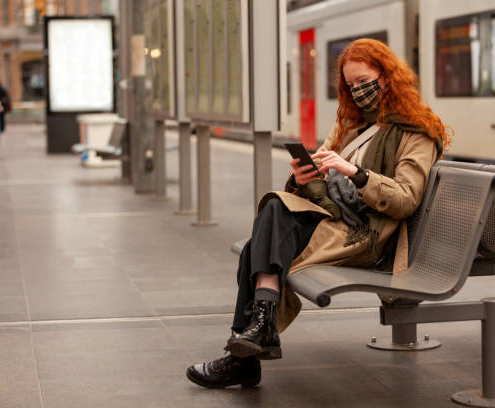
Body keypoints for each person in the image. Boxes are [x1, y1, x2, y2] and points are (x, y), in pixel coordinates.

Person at [186, 39, 451, 389]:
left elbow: (405, 198)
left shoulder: (416, 132)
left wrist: (355, 172)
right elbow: (323, 174)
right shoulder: (351, 125)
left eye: (364, 81)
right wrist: (303, 177)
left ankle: (246, 355)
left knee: (260, 243)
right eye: (351, 85)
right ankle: (258, 333)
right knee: (274, 212)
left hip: (369, 234)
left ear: (387, 77)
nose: (358, 92)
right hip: (334, 218)